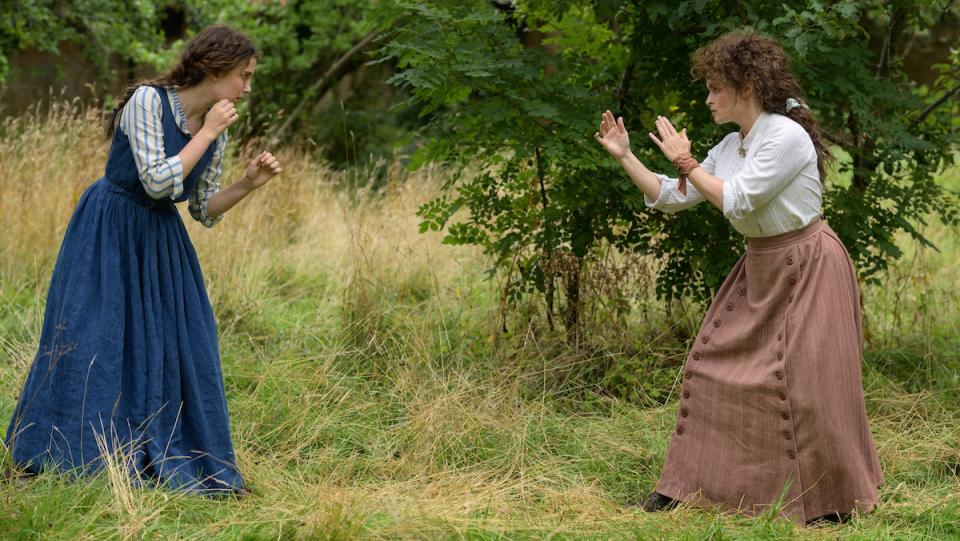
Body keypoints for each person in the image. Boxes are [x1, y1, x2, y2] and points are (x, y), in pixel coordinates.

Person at [594, 30, 883, 524]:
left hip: (809, 264)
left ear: (745, 86)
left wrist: (685, 159)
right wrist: (626, 156)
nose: (707, 98)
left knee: (809, 385)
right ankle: (686, 488)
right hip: (761, 265)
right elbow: (674, 195)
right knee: (709, 368)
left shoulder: (785, 137)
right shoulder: (732, 144)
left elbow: (738, 199)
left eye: (714, 87)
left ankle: (828, 503)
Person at [5, 24, 281, 494]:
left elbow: (201, 209)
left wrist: (247, 185)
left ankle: (161, 450)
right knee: (95, 335)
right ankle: (67, 453)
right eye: (244, 75)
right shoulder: (148, 102)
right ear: (215, 68)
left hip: (159, 239)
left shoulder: (215, 129)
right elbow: (156, 182)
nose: (247, 87)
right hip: (108, 228)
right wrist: (209, 130)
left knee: (180, 341)